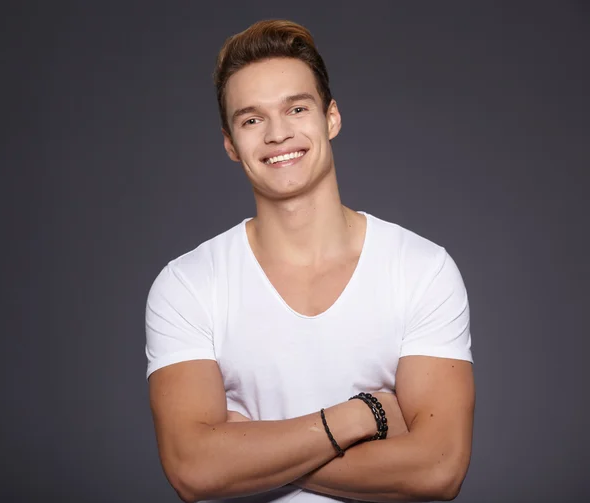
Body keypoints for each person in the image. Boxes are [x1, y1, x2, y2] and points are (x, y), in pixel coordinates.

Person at [145, 19, 475, 503]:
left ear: (331, 119)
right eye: (252, 119)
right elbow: (193, 469)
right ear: (231, 145)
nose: (278, 134)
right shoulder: (188, 285)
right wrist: (364, 415)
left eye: (296, 108)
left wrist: (251, 452)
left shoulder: (421, 269)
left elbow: (439, 469)